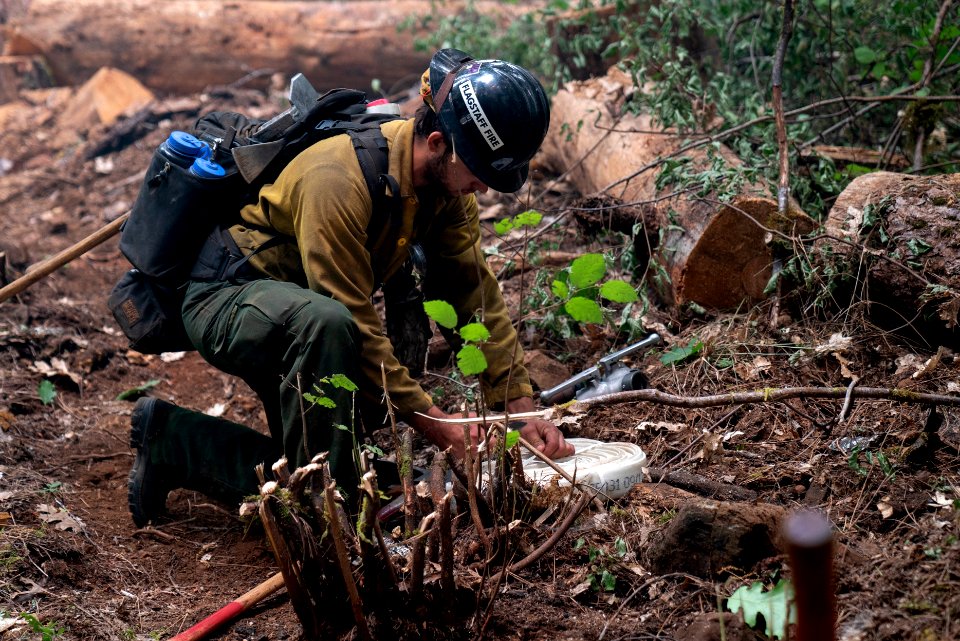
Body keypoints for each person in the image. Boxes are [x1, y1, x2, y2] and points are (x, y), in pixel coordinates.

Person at [127, 48, 575, 527]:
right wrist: (440, 425)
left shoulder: (447, 189)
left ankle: (170, 438)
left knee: (326, 452)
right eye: (480, 175)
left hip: (303, 314)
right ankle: (328, 515)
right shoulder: (338, 177)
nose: (483, 190)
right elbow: (350, 314)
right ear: (440, 143)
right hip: (227, 297)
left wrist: (520, 410)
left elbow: (475, 294)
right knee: (332, 350)